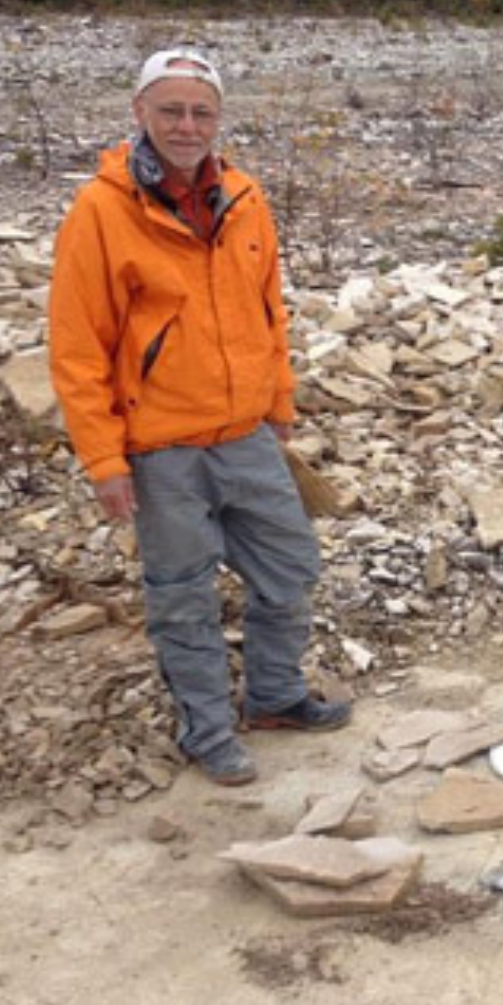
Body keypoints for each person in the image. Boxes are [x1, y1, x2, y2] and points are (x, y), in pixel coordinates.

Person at [49, 48, 350, 787]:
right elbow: (78, 347)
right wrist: (104, 461)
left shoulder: (244, 197)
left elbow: (267, 311)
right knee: (182, 599)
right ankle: (207, 731)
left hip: (247, 434)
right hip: (160, 449)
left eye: (201, 111)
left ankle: (276, 697)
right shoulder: (101, 210)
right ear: (140, 114)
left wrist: (278, 404)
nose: (187, 126)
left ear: (218, 117)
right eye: (172, 110)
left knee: (290, 570)